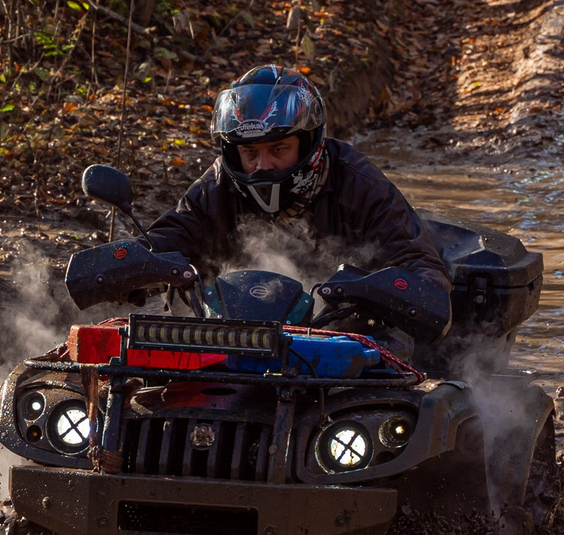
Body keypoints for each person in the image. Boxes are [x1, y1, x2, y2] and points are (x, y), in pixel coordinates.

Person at [138, 65, 450, 337]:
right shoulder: (216, 186)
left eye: (278, 149)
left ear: (308, 144)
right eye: (250, 153)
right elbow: (165, 241)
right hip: (227, 337)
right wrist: (132, 264)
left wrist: (390, 292)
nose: (262, 165)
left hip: (346, 340)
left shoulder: (360, 184)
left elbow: (418, 260)